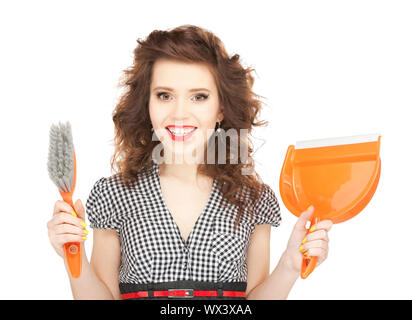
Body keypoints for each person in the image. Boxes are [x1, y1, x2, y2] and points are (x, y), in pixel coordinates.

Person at [47, 24, 332, 300]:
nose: (179, 114)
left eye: (198, 97)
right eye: (164, 95)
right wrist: (73, 257)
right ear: (147, 104)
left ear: (221, 108)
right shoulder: (114, 195)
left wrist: (290, 265)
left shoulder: (254, 201)